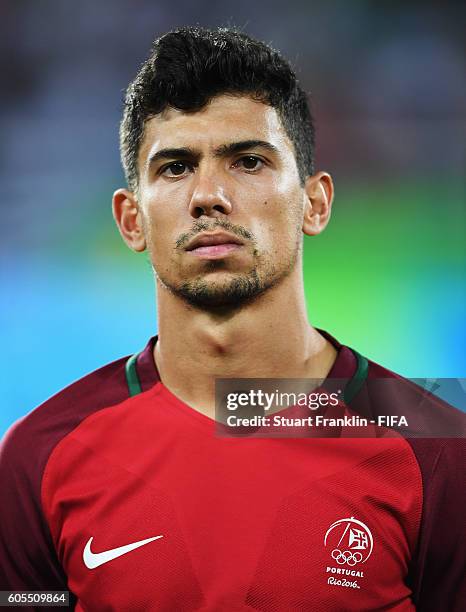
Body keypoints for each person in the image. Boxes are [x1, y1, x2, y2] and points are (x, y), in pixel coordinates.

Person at [1, 26, 464, 612]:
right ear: (131, 220)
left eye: (248, 161)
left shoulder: (436, 450)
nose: (209, 195)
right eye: (174, 167)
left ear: (314, 203)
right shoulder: (38, 457)